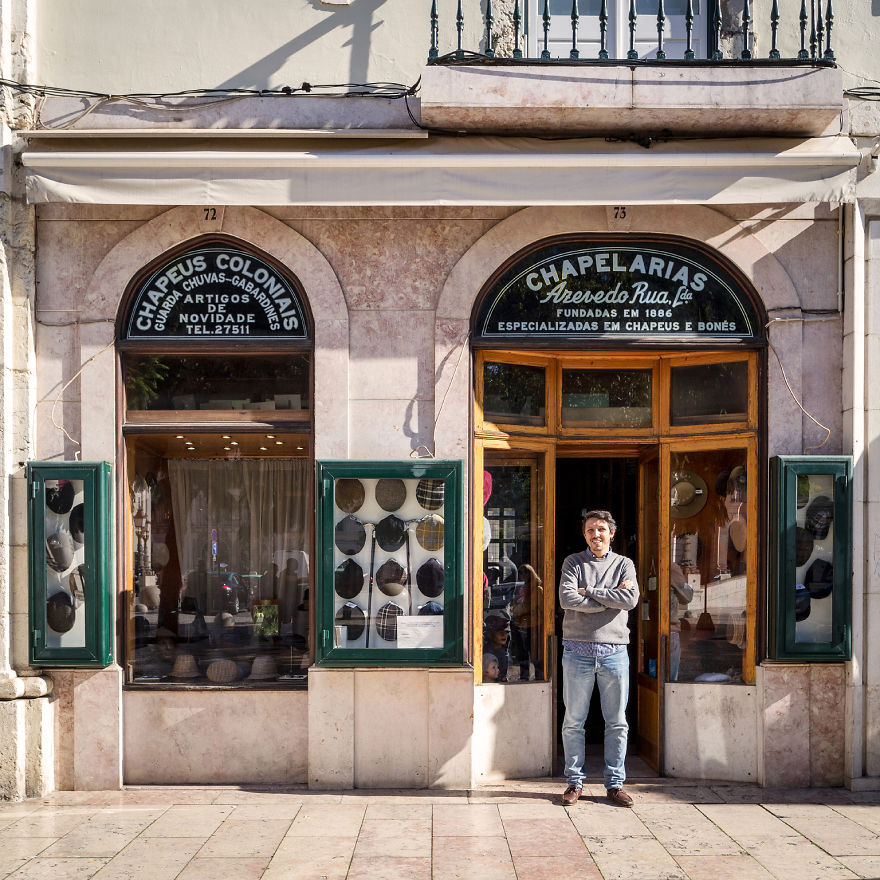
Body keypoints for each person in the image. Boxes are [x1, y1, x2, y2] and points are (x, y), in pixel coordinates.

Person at [558, 509, 639, 808]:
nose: (596, 534)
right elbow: (567, 599)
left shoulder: (624, 565)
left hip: (614, 653)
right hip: (576, 651)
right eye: (591, 529)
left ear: (612, 533)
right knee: (573, 722)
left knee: (617, 722)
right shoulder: (573, 563)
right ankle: (574, 783)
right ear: (584, 534)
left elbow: (630, 600)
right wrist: (609, 598)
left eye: (602, 529)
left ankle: (615, 785)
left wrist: (590, 592)